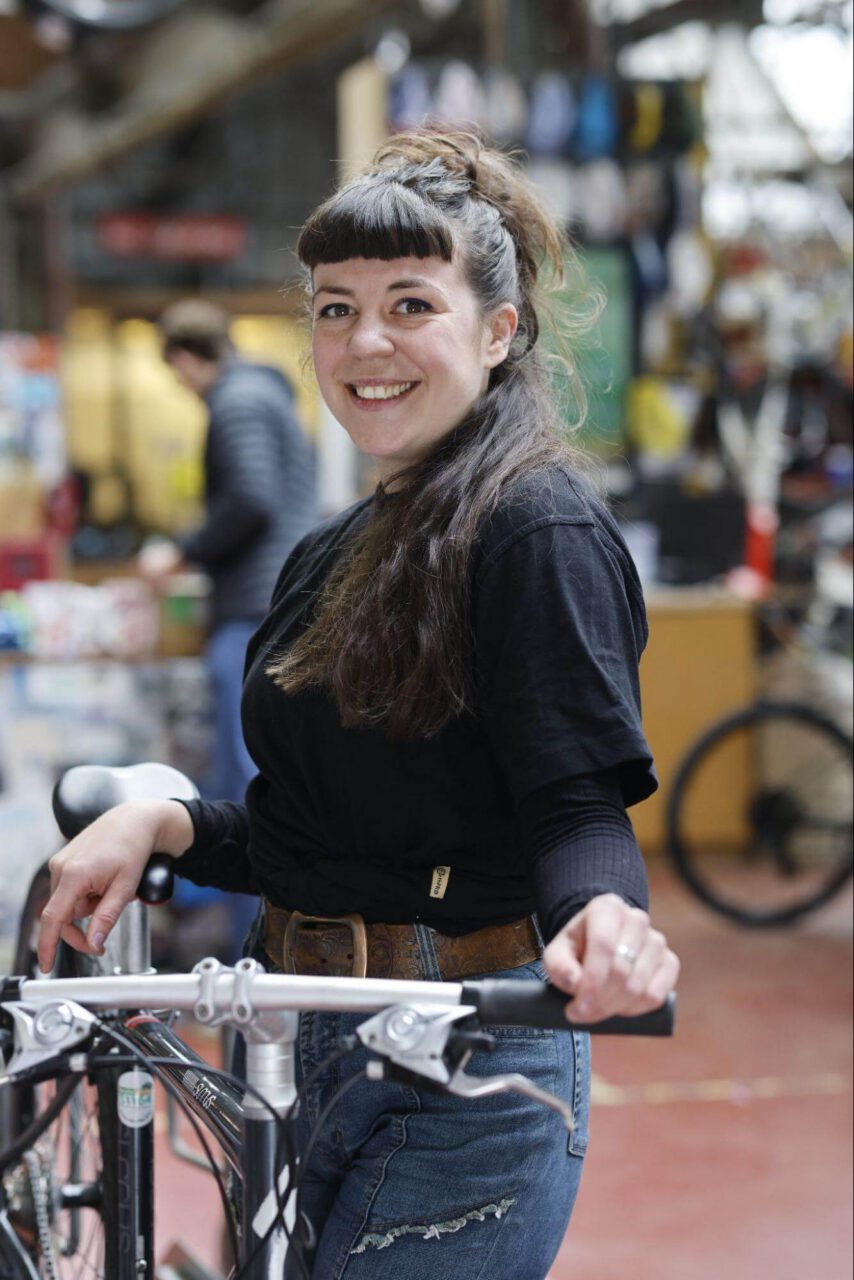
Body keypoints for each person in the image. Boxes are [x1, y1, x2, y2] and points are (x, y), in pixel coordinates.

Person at [40, 130, 680, 1280]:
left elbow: (576, 807)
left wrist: (605, 919)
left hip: (462, 1067)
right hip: (291, 1043)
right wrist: (165, 823)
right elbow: (315, 838)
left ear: (497, 330)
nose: (364, 342)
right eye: (334, 309)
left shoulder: (534, 529)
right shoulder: (331, 553)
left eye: (409, 305)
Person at [140, 299, 317, 956]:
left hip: (254, 609)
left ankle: (257, 945)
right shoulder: (265, 395)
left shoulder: (237, 402)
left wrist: (182, 551)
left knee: (248, 778)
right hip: (274, 601)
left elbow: (250, 500)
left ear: (187, 359)